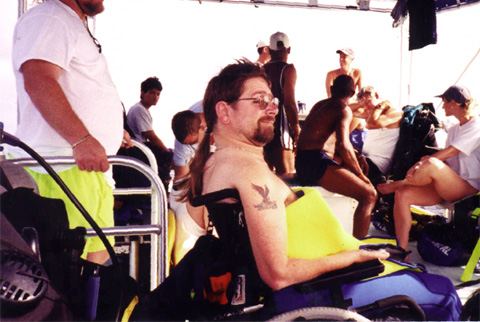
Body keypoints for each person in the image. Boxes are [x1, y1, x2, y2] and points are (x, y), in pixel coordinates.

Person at [130, 60, 461, 321]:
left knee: (406, 266)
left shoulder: (218, 163)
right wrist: (354, 256)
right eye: (259, 101)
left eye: (272, 100)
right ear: (224, 111)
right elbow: (277, 274)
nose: (273, 107)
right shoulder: (248, 173)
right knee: (444, 293)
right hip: (307, 293)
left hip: (298, 277)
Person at [9, 0, 129, 264]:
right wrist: (82, 139)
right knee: (74, 280)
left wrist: (110, 132)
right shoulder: (51, 16)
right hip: (62, 170)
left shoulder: (68, 22)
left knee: (94, 279)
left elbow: (77, 89)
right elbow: (38, 79)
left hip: (83, 171)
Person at [378, 85, 479, 252]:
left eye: (445, 102)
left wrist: (422, 164)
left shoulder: (477, 125)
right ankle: (402, 251)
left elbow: (452, 151)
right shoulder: (454, 130)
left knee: (431, 163)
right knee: (402, 196)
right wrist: (426, 161)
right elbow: (449, 159)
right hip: (449, 185)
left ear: (453, 103)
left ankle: (400, 182)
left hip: (468, 189)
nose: (443, 106)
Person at [295, 75, 377, 238]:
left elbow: (332, 141)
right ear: (353, 93)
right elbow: (343, 146)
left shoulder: (320, 104)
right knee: (369, 195)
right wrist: (361, 176)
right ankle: (357, 252)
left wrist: (357, 155)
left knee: (352, 168)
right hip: (315, 163)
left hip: (304, 161)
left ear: (332, 89)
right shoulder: (343, 109)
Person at [170, 108, 207, 264]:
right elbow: (181, 176)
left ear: (202, 128)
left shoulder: (223, 124)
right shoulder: (184, 137)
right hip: (189, 190)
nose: (190, 146)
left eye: (193, 142)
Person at [263, 32, 300, 176]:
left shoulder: (260, 70)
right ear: (289, 50)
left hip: (263, 130)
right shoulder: (288, 69)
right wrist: (296, 129)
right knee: (287, 177)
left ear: (270, 50)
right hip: (280, 132)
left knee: (265, 179)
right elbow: (289, 103)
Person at [127, 76, 173, 190]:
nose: (156, 97)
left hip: (143, 148)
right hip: (139, 150)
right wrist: (166, 152)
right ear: (142, 93)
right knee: (172, 157)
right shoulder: (139, 109)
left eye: (158, 94)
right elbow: (151, 136)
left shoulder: (143, 109)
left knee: (172, 155)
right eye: (152, 93)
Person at [354, 86, 403, 186]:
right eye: (364, 106)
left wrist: (379, 106)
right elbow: (346, 108)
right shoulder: (372, 113)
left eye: (368, 102)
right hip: (365, 160)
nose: (366, 108)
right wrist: (362, 104)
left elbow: (371, 124)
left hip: (377, 165)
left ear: (376, 95)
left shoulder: (395, 112)